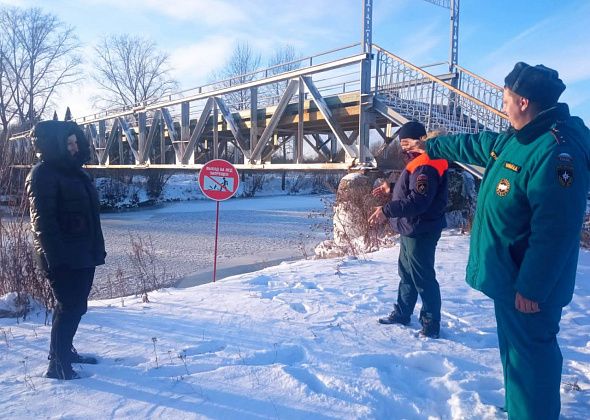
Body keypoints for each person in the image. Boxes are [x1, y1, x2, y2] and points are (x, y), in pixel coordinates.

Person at [403, 63, 590, 419]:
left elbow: (556, 231)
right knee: (516, 355)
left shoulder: (555, 151)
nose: (501, 105)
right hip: (511, 275)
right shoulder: (520, 135)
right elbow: (479, 144)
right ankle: (522, 407)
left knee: (531, 357)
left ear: (523, 101)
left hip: (529, 284)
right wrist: (433, 145)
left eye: (505, 98)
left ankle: (532, 412)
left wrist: (533, 287)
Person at [26, 120, 106, 380]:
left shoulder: (77, 173)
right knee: (68, 306)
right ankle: (57, 365)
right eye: (68, 143)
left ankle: (65, 352)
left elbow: (89, 216)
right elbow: (43, 223)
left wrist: (95, 249)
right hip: (62, 257)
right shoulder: (42, 174)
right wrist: (55, 259)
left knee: (77, 306)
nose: (74, 148)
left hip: (83, 252)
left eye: (75, 143)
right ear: (56, 145)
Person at [369, 121, 449, 338]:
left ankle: (431, 323)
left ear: (419, 139)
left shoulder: (426, 164)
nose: (402, 146)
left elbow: (419, 201)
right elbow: (415, 191)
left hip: (420, 229)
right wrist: (393, 188)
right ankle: (403, 313)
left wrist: (386, 210)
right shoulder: (419, 162)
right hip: (411, 227)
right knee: (406, 274)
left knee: (422, 277)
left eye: (405, 142)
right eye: (400, 142)